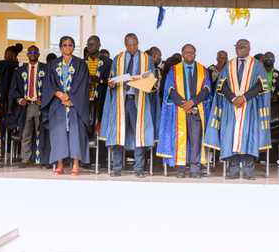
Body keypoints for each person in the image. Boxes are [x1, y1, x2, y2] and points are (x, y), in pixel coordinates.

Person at [206, 39, 270, 180]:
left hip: (249, 107)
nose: (239, 49)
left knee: (249, 136)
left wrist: (245, 97)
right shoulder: (229, 65)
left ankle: (248, 170)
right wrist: (233, 98)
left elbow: (262, 85)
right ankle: (233, 169)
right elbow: (221, 85)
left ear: (249, 48)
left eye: (243, 47)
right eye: (237, 47)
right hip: (231, 106)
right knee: (230, 136)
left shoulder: (257, 65)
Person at [101, 33, 157, 177]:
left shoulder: (147, 59)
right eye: (130, 45)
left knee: (140, 134)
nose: (133, 47)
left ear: (138, 43)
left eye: (135, 44)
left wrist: (142, 81)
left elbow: (153, 80)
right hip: (121, 100)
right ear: (125, 45)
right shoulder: (117, 59)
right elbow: (111, 79)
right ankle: (117, 168)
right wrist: (112, 83)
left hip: (138, 100)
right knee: (118, 133)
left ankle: (139, 169)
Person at [157, 44, 213, 178]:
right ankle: (181, 169)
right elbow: (170, 89)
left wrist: (193, 102)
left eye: (192, 52)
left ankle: (195, 169)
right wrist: (184, 104)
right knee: (180, 139)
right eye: (187, 52)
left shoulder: (202, 70)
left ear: (195, 54)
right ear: (182, 54)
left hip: (196, 109)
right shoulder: (174, 70)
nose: (189, 54)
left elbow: (206, 89)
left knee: (196, 141)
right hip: (179, 111)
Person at [42, 37, 90, 175]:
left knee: (76, 133)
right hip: (57, 103)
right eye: (64, 45)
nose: (67, 47)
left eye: (70, 45)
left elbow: (83, 83)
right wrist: (58, 94)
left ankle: (75, 164)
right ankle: (60, 164)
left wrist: (70, 97)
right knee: (58, 133)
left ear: (73, 47)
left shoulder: (80, 64)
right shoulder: (53, 64)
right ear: (60, 47)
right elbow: (48, 83)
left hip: (76, 103)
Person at [10, 45, 46, 168]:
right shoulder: (20, 70)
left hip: (39, 106)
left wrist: (44, 99)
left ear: (39, 54)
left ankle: (40, 159)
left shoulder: (45, 69)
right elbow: (13, 90)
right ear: (27, 54)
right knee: (26, 133)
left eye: (35, 52)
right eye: (30, 52)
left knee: (40, 133)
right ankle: (25, 159)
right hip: (26, 106)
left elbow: (51, 86)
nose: (33, 54)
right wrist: (19, 99)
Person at [83, 35, 111, 137]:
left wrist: (100, 80)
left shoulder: (108, 62)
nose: (89, 47)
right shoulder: (82, 62)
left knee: (100, 125)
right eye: (88, 44)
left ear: (99, 45)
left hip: (101, 99)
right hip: (85, 99)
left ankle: (100, 146)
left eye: (92, 44)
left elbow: (111, 81)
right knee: (86, 125)